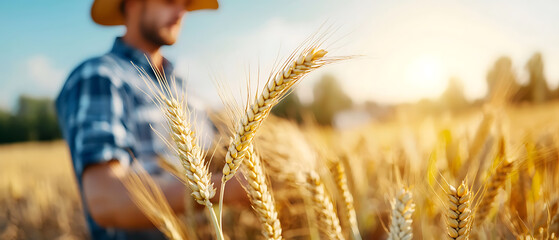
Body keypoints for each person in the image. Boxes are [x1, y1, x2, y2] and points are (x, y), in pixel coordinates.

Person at [56, 0, 246, 239]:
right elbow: (105, 198)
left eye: (186, 4)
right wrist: (221, 190)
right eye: (170, 1)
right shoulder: (100, 76)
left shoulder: (188, 91)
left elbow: (217, 160)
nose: (180, 13)